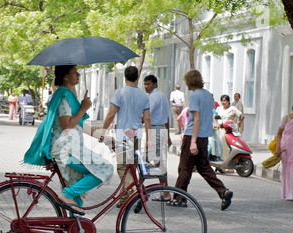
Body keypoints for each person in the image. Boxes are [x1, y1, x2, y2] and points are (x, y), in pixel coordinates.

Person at [24, 65, 113, 215]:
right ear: (65, 76)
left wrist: (104, 138)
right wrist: (84, 108)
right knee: (105, 169)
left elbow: (80, 124)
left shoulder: (68, 96)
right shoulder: (64, 96)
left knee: (76, 200)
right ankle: (67, 194)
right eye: (74, 72)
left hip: (69, 148)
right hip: (67, 149)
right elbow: (67, 125)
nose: (78, 75)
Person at [172, 70, 233, 211]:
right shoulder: (207, 95)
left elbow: (197, 119)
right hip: (204, 137)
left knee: (185, 168)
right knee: (203, 167)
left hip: (192, 136)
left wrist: (192, 142)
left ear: (190, 81)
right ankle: (223, 191)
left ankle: (180, 198)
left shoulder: (195, 96)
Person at [99, 66, 152, 207]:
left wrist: (103, 131)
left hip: (123, 134)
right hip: (136, 135)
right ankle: (123, 201)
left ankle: (135, 192)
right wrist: (150, 139)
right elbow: (147, 119)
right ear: (137, 77)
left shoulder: (120, 93)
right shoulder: (143, 95)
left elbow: (111, 114)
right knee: (131, 168)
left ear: (125, 77)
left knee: (122, 167)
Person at [141, 74, 172, 203]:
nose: (146, 87)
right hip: (160, 129)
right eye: (145, 84)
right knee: (155, 162)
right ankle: (164, 192)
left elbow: (145, 116)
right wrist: (168, 135)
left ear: (155, 84)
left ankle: (164, 193)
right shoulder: (163, 96)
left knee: (150, 162)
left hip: (154, 131)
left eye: (148, 84)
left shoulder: (153, 97)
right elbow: (167, 117)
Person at [216, 94, 244, 161]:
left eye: (225, 101)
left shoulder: (232, 109)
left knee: (227, 147)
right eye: (222, 101)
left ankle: (227, 161)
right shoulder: (219, 109)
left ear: (228, 101)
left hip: (229, 131)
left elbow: (241, 116)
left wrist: (237, 123)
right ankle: (220, 163)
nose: (223, 102)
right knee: (219, 146)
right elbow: (214, 117)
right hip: (219, 130)